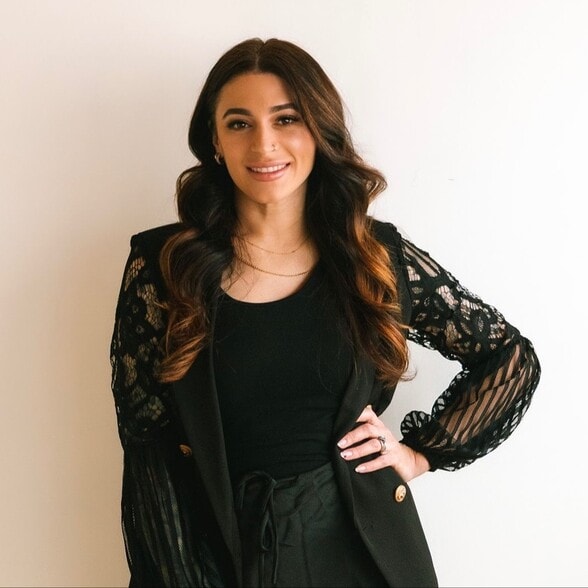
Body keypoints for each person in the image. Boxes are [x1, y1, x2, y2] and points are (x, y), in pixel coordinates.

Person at [110, 37, 541, 588]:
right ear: (215, 141)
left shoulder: (374, 257)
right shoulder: (164, 265)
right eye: (239, 123)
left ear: (318, 129)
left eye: (286, 119)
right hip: (221, 553)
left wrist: (417, 455)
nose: (264, 144)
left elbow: (509, 357)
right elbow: (147, 450)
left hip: (361, 552)